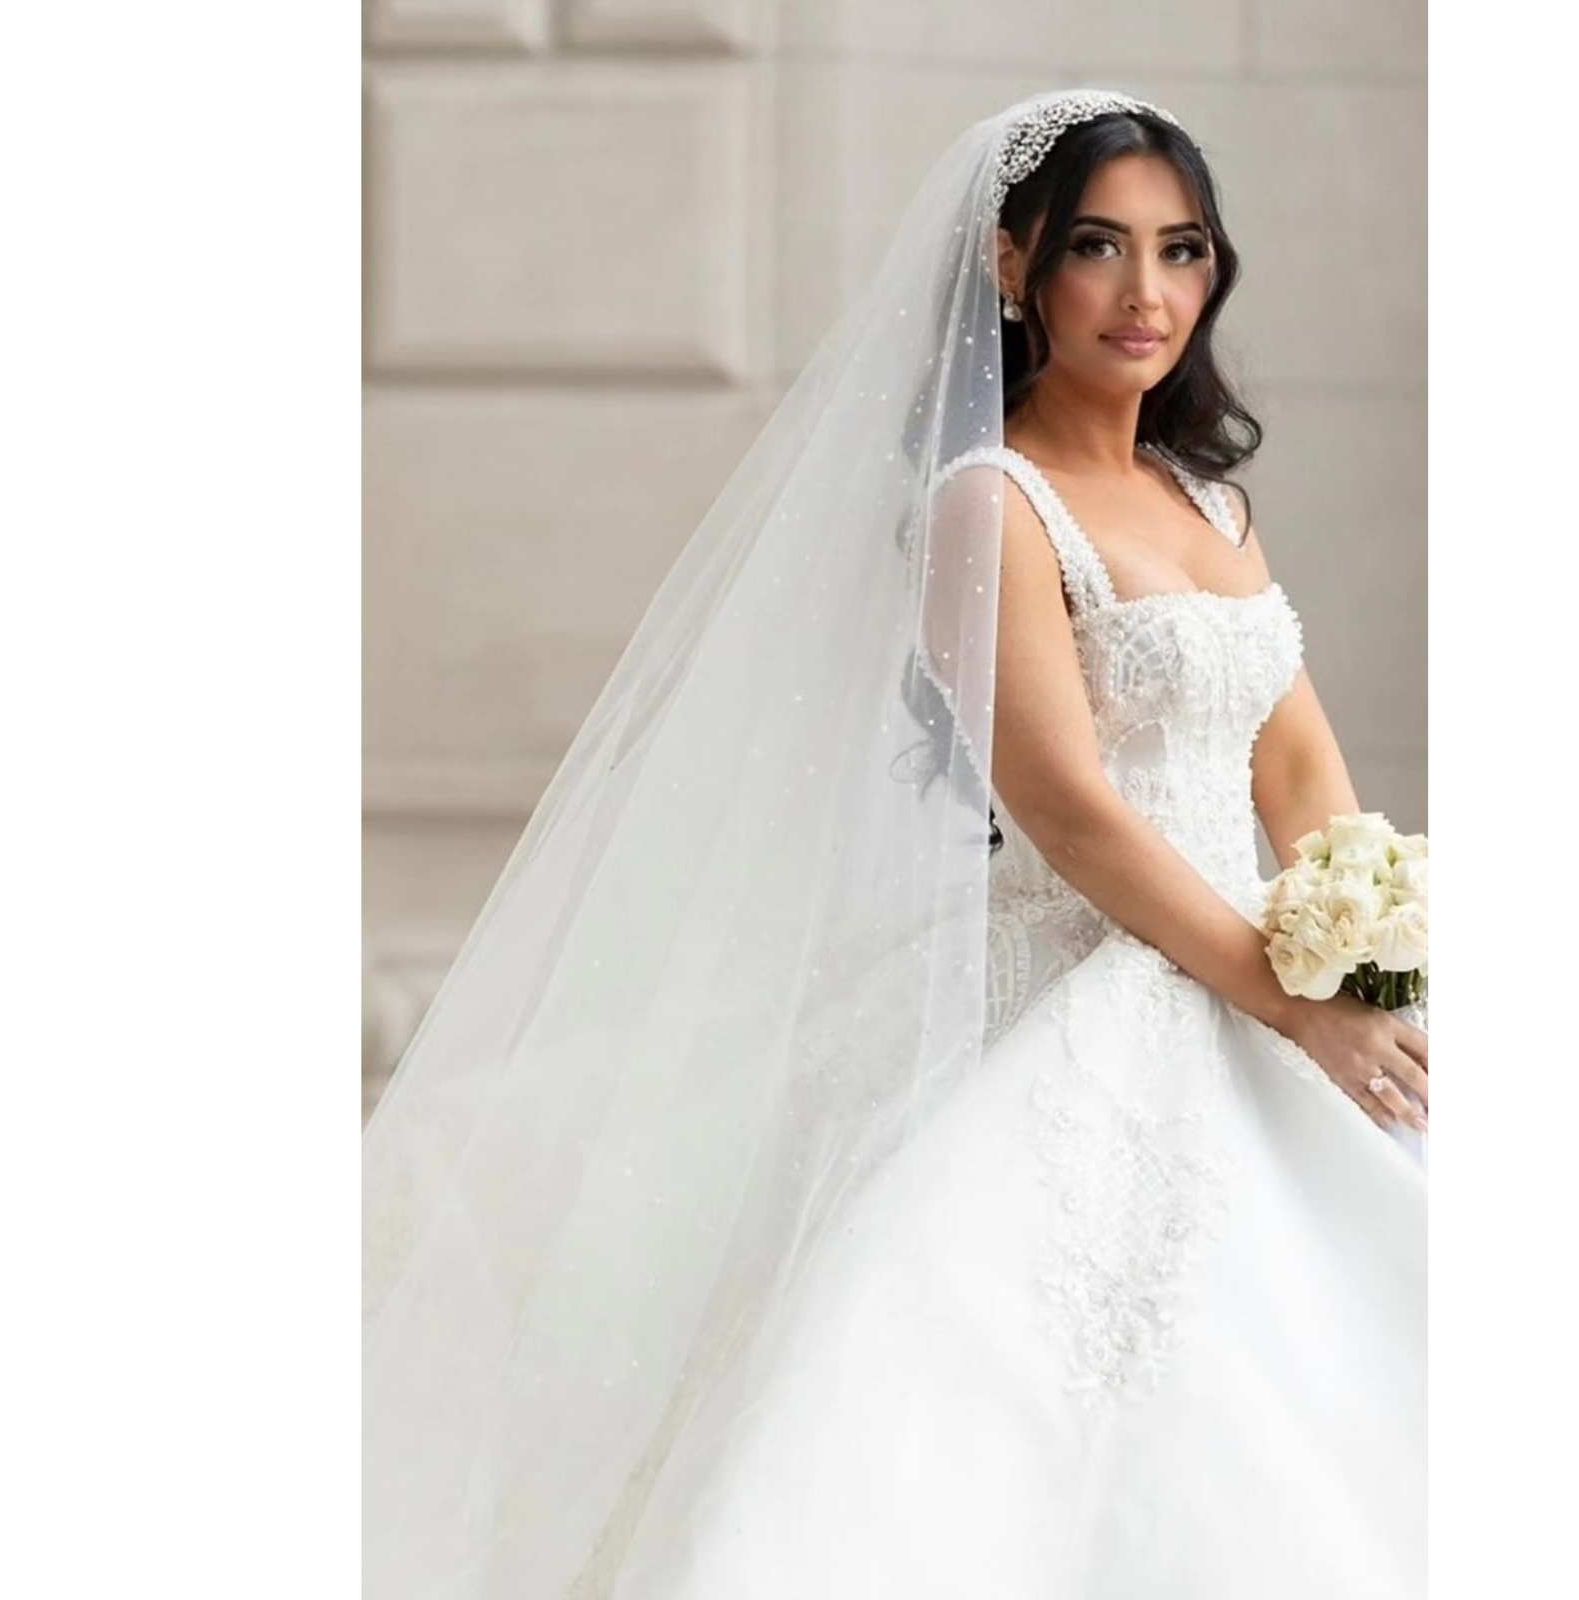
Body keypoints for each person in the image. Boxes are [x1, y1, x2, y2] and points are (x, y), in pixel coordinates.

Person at [364, 87, 1427, 1599]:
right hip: (1097, 980)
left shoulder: (1210, 500)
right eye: (1099, 250)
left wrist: (1375, 966)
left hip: (1277, 973)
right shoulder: (986, 503)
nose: (1148, 295)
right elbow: (1066, 811)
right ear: (1013, 266)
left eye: (1182, 251)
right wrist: (1283, 994)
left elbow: (1302, 757)